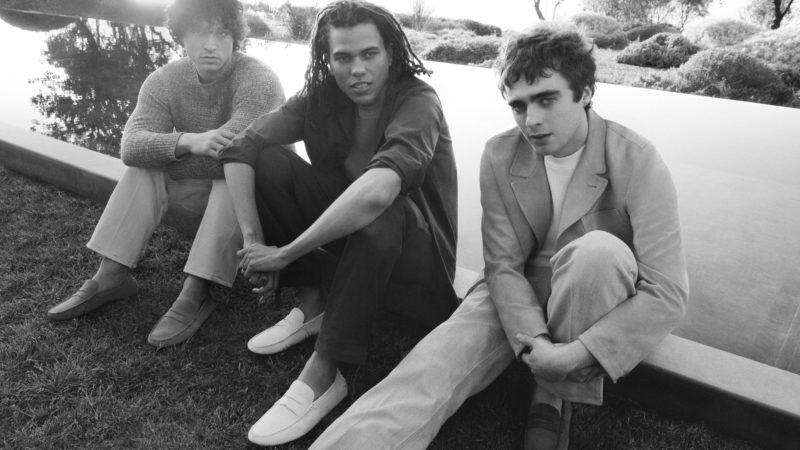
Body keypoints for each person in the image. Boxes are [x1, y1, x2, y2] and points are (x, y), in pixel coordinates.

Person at [310, 22, 690, 449]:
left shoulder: (637, 158)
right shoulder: (499, 153)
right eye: (519, 106)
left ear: (585, 92)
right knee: (427, 370)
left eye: (546, 99)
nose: (532, 120)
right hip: (510, 292)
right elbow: (503, 266)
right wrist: (536, 343)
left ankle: (553, 395)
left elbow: (667, 291)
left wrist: (576, 354)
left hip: (591, 288)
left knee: (598, 254)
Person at [218, 0, 459, 445]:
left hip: (416, 262)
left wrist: (285, 253)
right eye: (343, 57)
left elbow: (379, 192)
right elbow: (240, 148)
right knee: (269, 160)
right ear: (327, 60)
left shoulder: (418, 101)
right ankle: (314, 304)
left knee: (383, 207)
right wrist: (254, 244)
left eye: (369, 54)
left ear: (390, 52)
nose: (357, 70)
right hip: (356, 244)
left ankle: (325, 369)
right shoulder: (321, 97)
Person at [46, 0, 285, 349]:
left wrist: (163, 155)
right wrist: (187, 141)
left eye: (222, 33)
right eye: (200, 32)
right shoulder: (164, 80)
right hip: (203, 188)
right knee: (143, 170)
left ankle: (197, 289)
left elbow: (238, 155)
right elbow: (131, 147)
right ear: (181, 35)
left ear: (235, 37)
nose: (211, 45)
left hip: (262, 202)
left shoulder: (258, 79)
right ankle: (111, 276)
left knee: (231, 172)